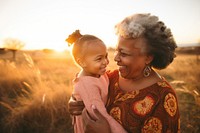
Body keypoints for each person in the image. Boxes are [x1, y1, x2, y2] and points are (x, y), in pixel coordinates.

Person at [68, 13, 180, 133]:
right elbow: (86, 86)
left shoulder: (163, 98)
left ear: (148, 58)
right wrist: (76, 101)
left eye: (124, 53)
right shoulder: (111, 77)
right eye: (116, 50)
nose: (115, 58)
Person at [66, 30, 127, 133]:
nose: (106, 62)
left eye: (106, 56)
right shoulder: (88, 86)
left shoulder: (97, 73)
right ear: (82, 62)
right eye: (99, 59)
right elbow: (101, 117)